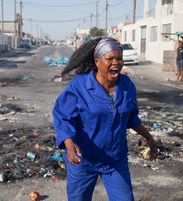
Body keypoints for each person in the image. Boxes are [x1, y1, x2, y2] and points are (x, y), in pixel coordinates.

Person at [53, 37, 159, 201]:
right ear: (97, 61)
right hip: (84, 160)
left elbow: (130, 117)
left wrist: (149, 138)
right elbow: (62, 116)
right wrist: (68, 143)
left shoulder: (126, 85)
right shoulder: (79, 85)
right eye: (110, 59)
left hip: (115, 160)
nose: (116, 62)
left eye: (119, 58)